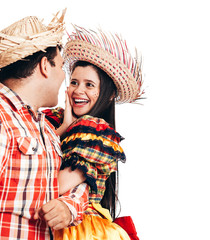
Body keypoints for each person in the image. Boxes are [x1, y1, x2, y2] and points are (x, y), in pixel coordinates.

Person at [0, 11, 89, 240]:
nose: (63, 79)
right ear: (45, 65)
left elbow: (73, 185)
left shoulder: (46, 129)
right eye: (61, 68)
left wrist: (70, 207)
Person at [42, 25, 143, 240]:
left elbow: (57, 185)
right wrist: (63, 127)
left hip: (82, 230)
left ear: (107, 95)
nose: (79, 90)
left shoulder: (95, 132)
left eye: (89, 85)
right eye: (74, 82)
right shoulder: (56, 121)